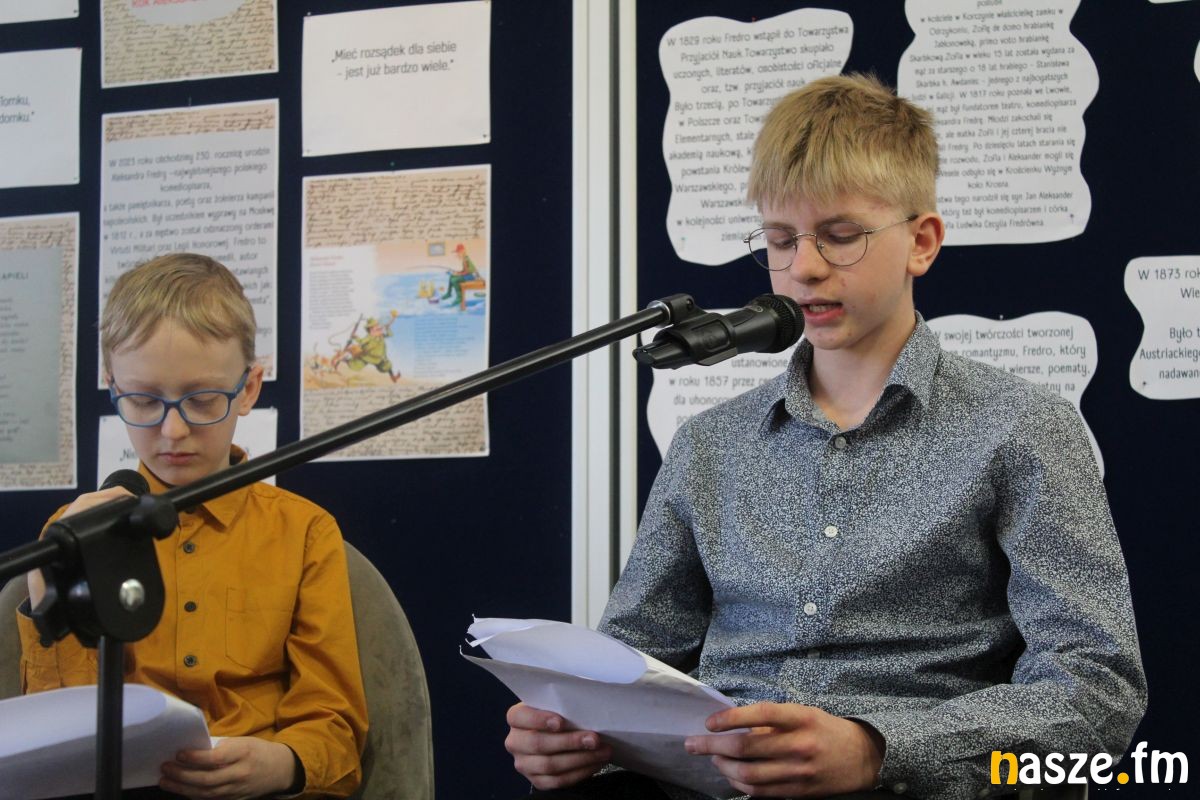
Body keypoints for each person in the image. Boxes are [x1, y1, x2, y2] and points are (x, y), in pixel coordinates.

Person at [503, 74, 1146, 799]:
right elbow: (631, 660)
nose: (803, 268)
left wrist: (878, 751)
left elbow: (1097, 690)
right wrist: (574, 734)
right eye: (780, 240)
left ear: (922, 242)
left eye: (840, 237)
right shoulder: (708, 445)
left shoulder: (1020, 427)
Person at [18, 254, 368, 799]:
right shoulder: (76, 530)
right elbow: (55, 726)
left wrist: (282, 763)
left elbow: (335, 724)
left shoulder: (304, 534)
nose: (173, 430)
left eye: (202, 400)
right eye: (143, 401)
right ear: (112, 387)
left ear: (249, 388)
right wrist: (46, 595)